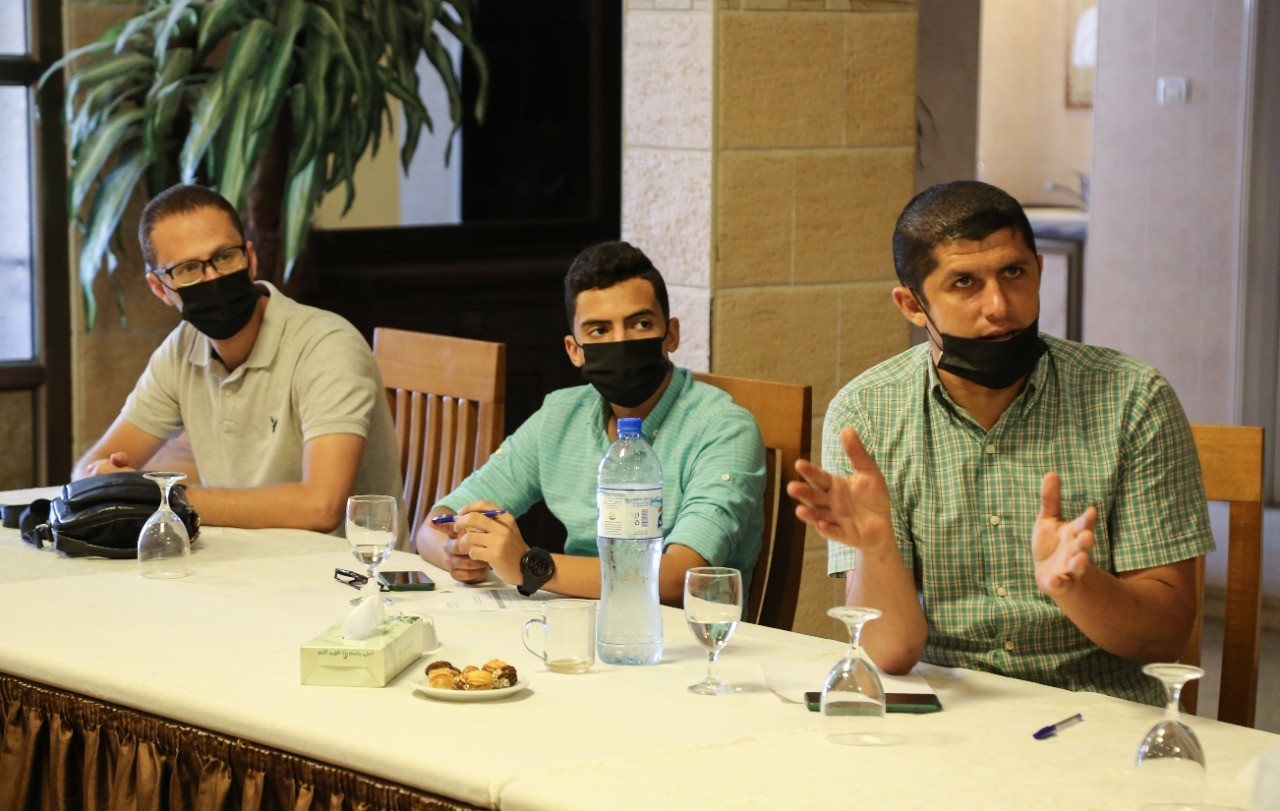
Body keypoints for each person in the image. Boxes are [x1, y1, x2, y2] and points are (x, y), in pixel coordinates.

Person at [788, 180, 1212, 705]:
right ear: (913, 305)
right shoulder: (865, 415)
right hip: (948, 708)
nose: (999, 306)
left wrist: (1079, 587)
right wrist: (876, 548)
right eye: (964, 283)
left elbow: (1166, 635)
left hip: (1097, 709)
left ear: (1039, 270)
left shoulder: (1132, 398)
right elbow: (891, 654)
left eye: (1013, 273)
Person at [414, 241, 766, 601]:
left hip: (680, 631)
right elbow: (432, 527)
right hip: (576, 620)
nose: (621, 342)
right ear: (574, 351)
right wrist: (456, 554)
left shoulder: (725, 429)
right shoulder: (560, 415)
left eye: (640, 324)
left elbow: (679, 576)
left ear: (671, 334)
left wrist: (529, 566)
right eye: (599, 331)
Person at [73, 184, 402, 536]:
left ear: (251, 259)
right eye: (189, 268)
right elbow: (86, 473)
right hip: (239, 558)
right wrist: (105, 478)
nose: (213, 277)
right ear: (159, 289)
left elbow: (321, 507)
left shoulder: (326, 345)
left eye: (225, 257)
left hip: (346, 566)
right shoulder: (181, 350)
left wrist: (164, 498)